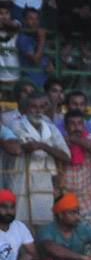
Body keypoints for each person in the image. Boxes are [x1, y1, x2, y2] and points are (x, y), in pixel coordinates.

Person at [9, 92, 70, 226]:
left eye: (41, 107)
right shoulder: (16, 125)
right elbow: (30, 147)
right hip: (21, 178)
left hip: (44, 180)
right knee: (19, 221)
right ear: (26, 108)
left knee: (44, 221)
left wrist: (42, 146)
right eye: (34, 107)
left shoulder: (51, 128)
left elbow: (66, 156)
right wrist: (50, 148)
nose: (38, 111)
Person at [0, 188, 54, 260]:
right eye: (4, 207)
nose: (9, 211)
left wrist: (27, 257)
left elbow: (35, 255)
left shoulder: (19, 227)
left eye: (12, 208)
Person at [61, 111, 91, 218]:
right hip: (65, 199)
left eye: (79, 123)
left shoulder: (88, 137)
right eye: (72, 124)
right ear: (65, 127)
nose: (76, 127)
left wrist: (73, 139)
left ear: (84, 126)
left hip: (85, 202)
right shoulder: (60, 140)